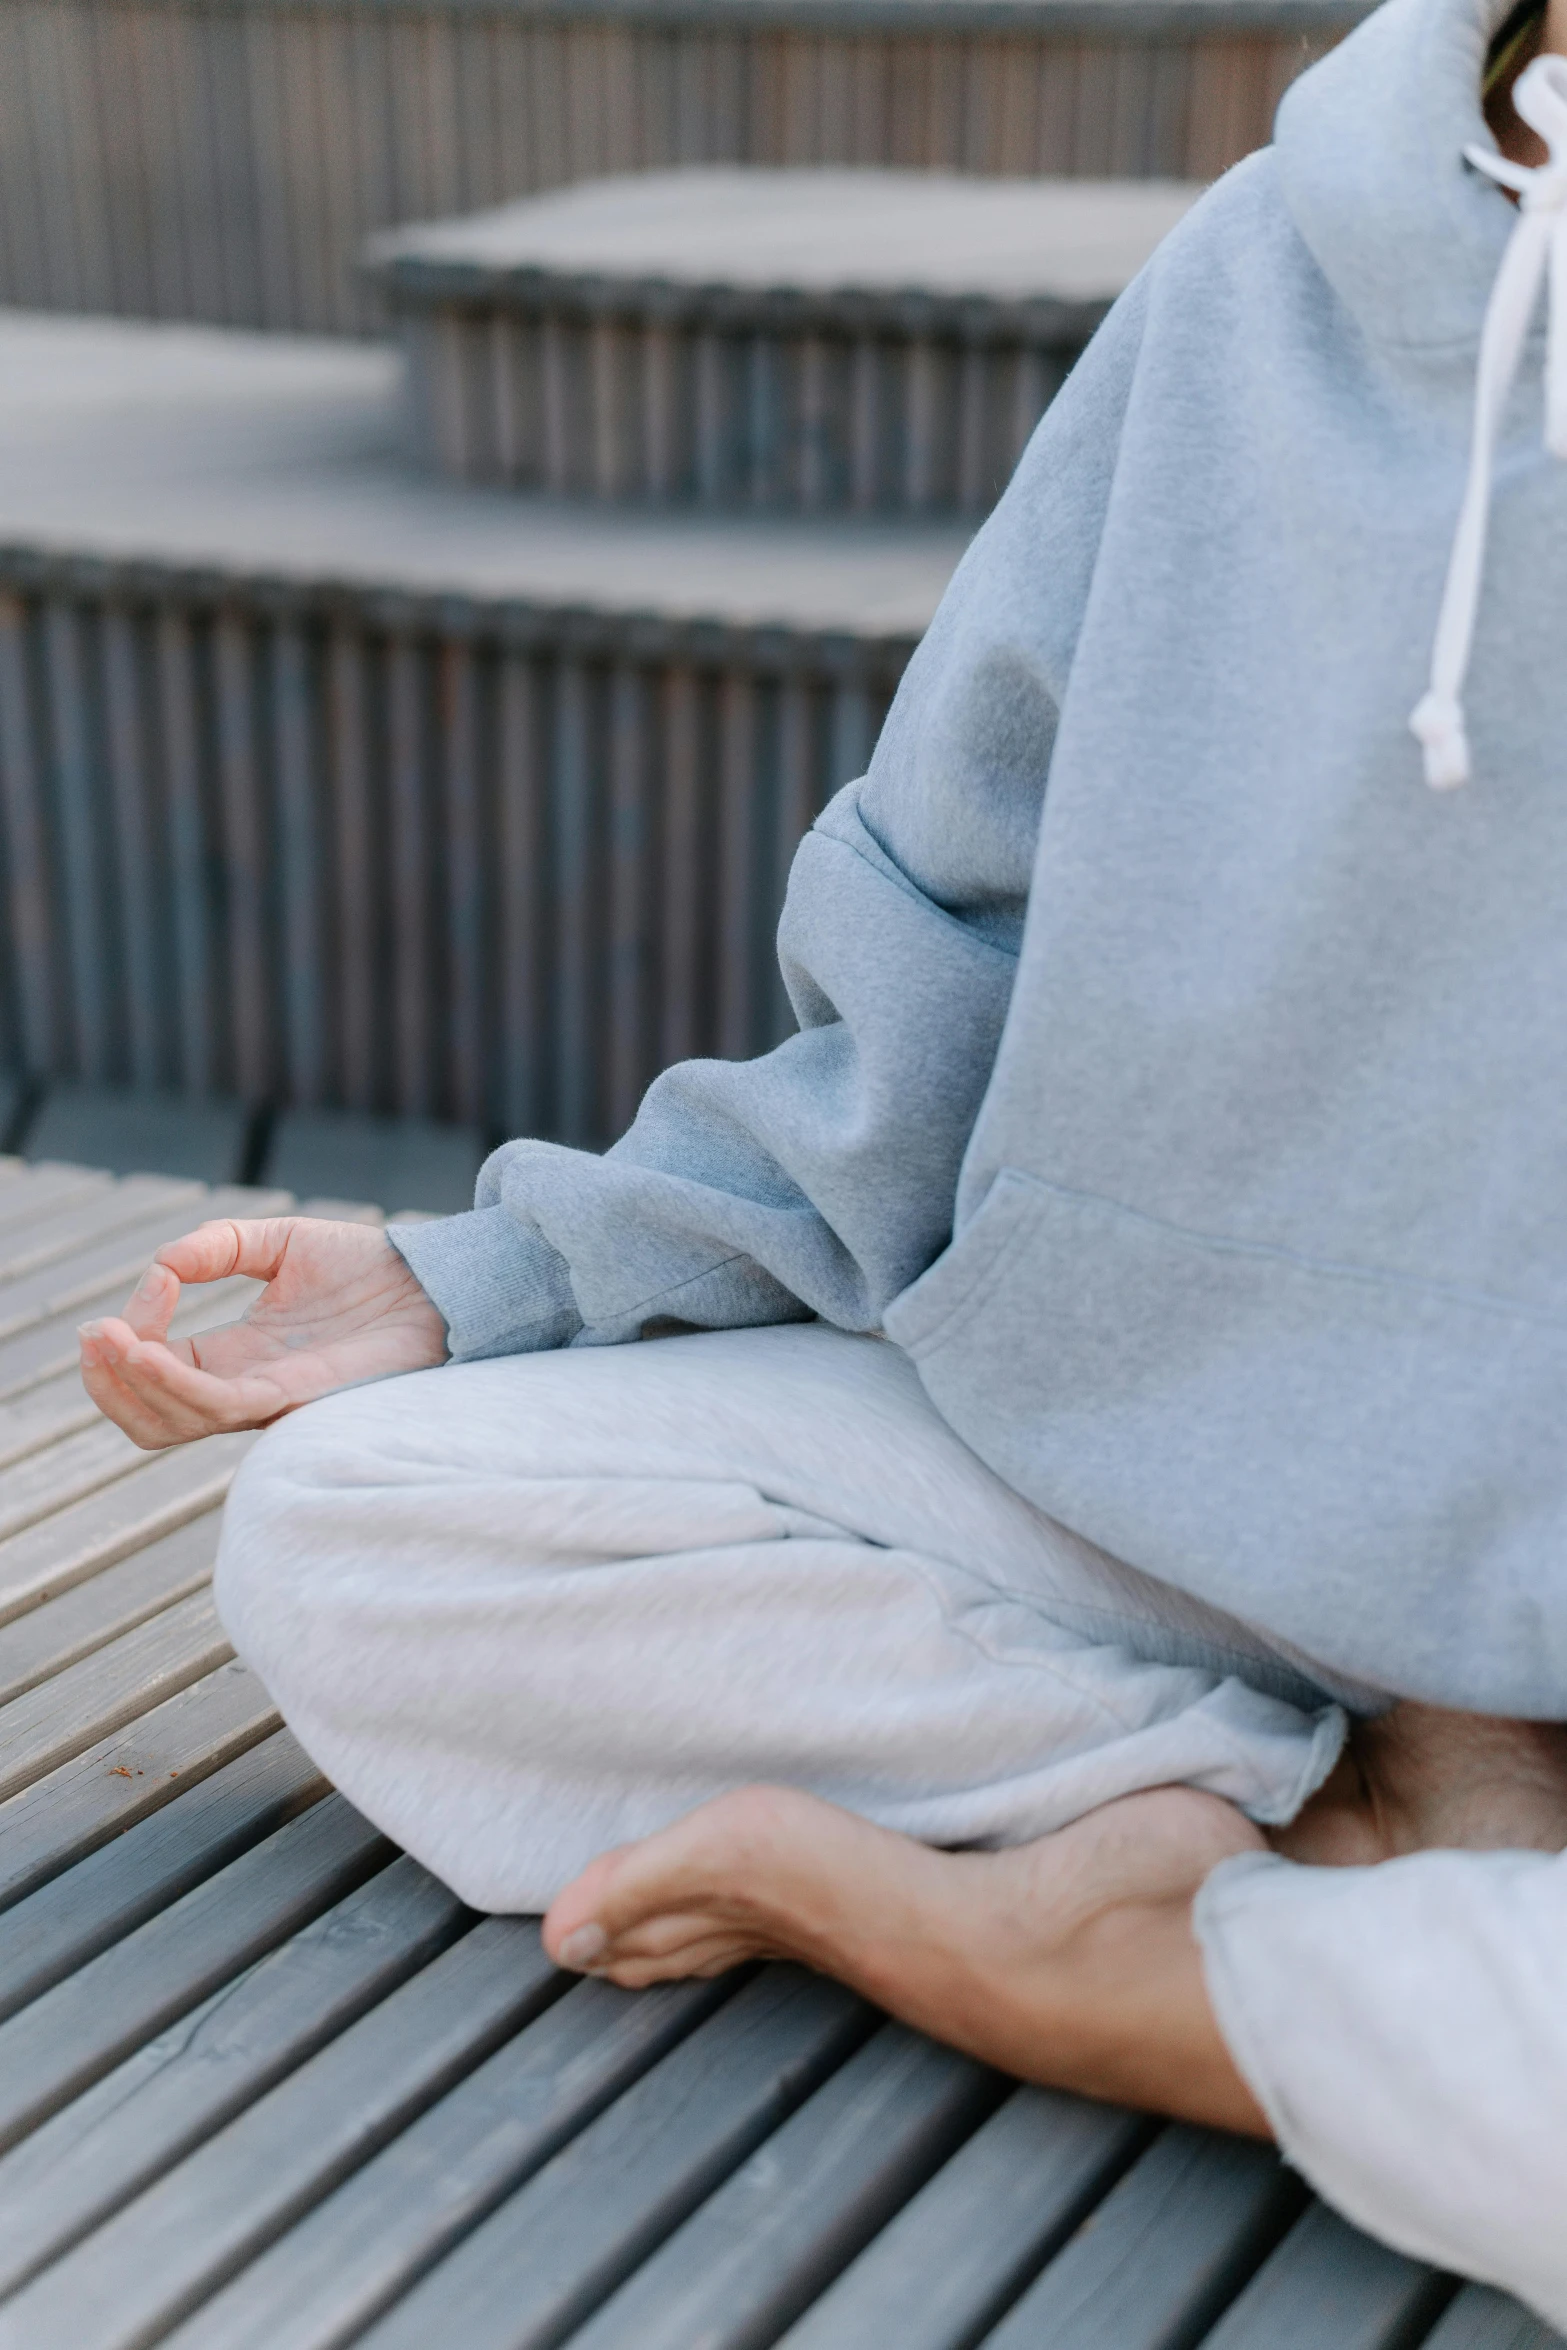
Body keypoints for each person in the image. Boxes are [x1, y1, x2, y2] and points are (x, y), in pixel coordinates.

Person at [79, 0, 1567, 2319]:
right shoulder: (1275, 267)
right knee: (357, 1530)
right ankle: (1293, 1805)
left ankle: (1047, 1923)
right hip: (1178, 1482)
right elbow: (939, 944)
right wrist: (489, 1279)